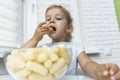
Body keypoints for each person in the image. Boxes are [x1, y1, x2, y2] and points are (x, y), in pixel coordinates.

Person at [21, 5, 120, 80]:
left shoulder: (75, 48)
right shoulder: (43, 49)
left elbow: (87, 64)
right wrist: (35, 39)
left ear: (68, 28)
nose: (51, 21)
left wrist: (98, 70)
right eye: (48, 19)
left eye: (58, 18)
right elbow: (20, 56)